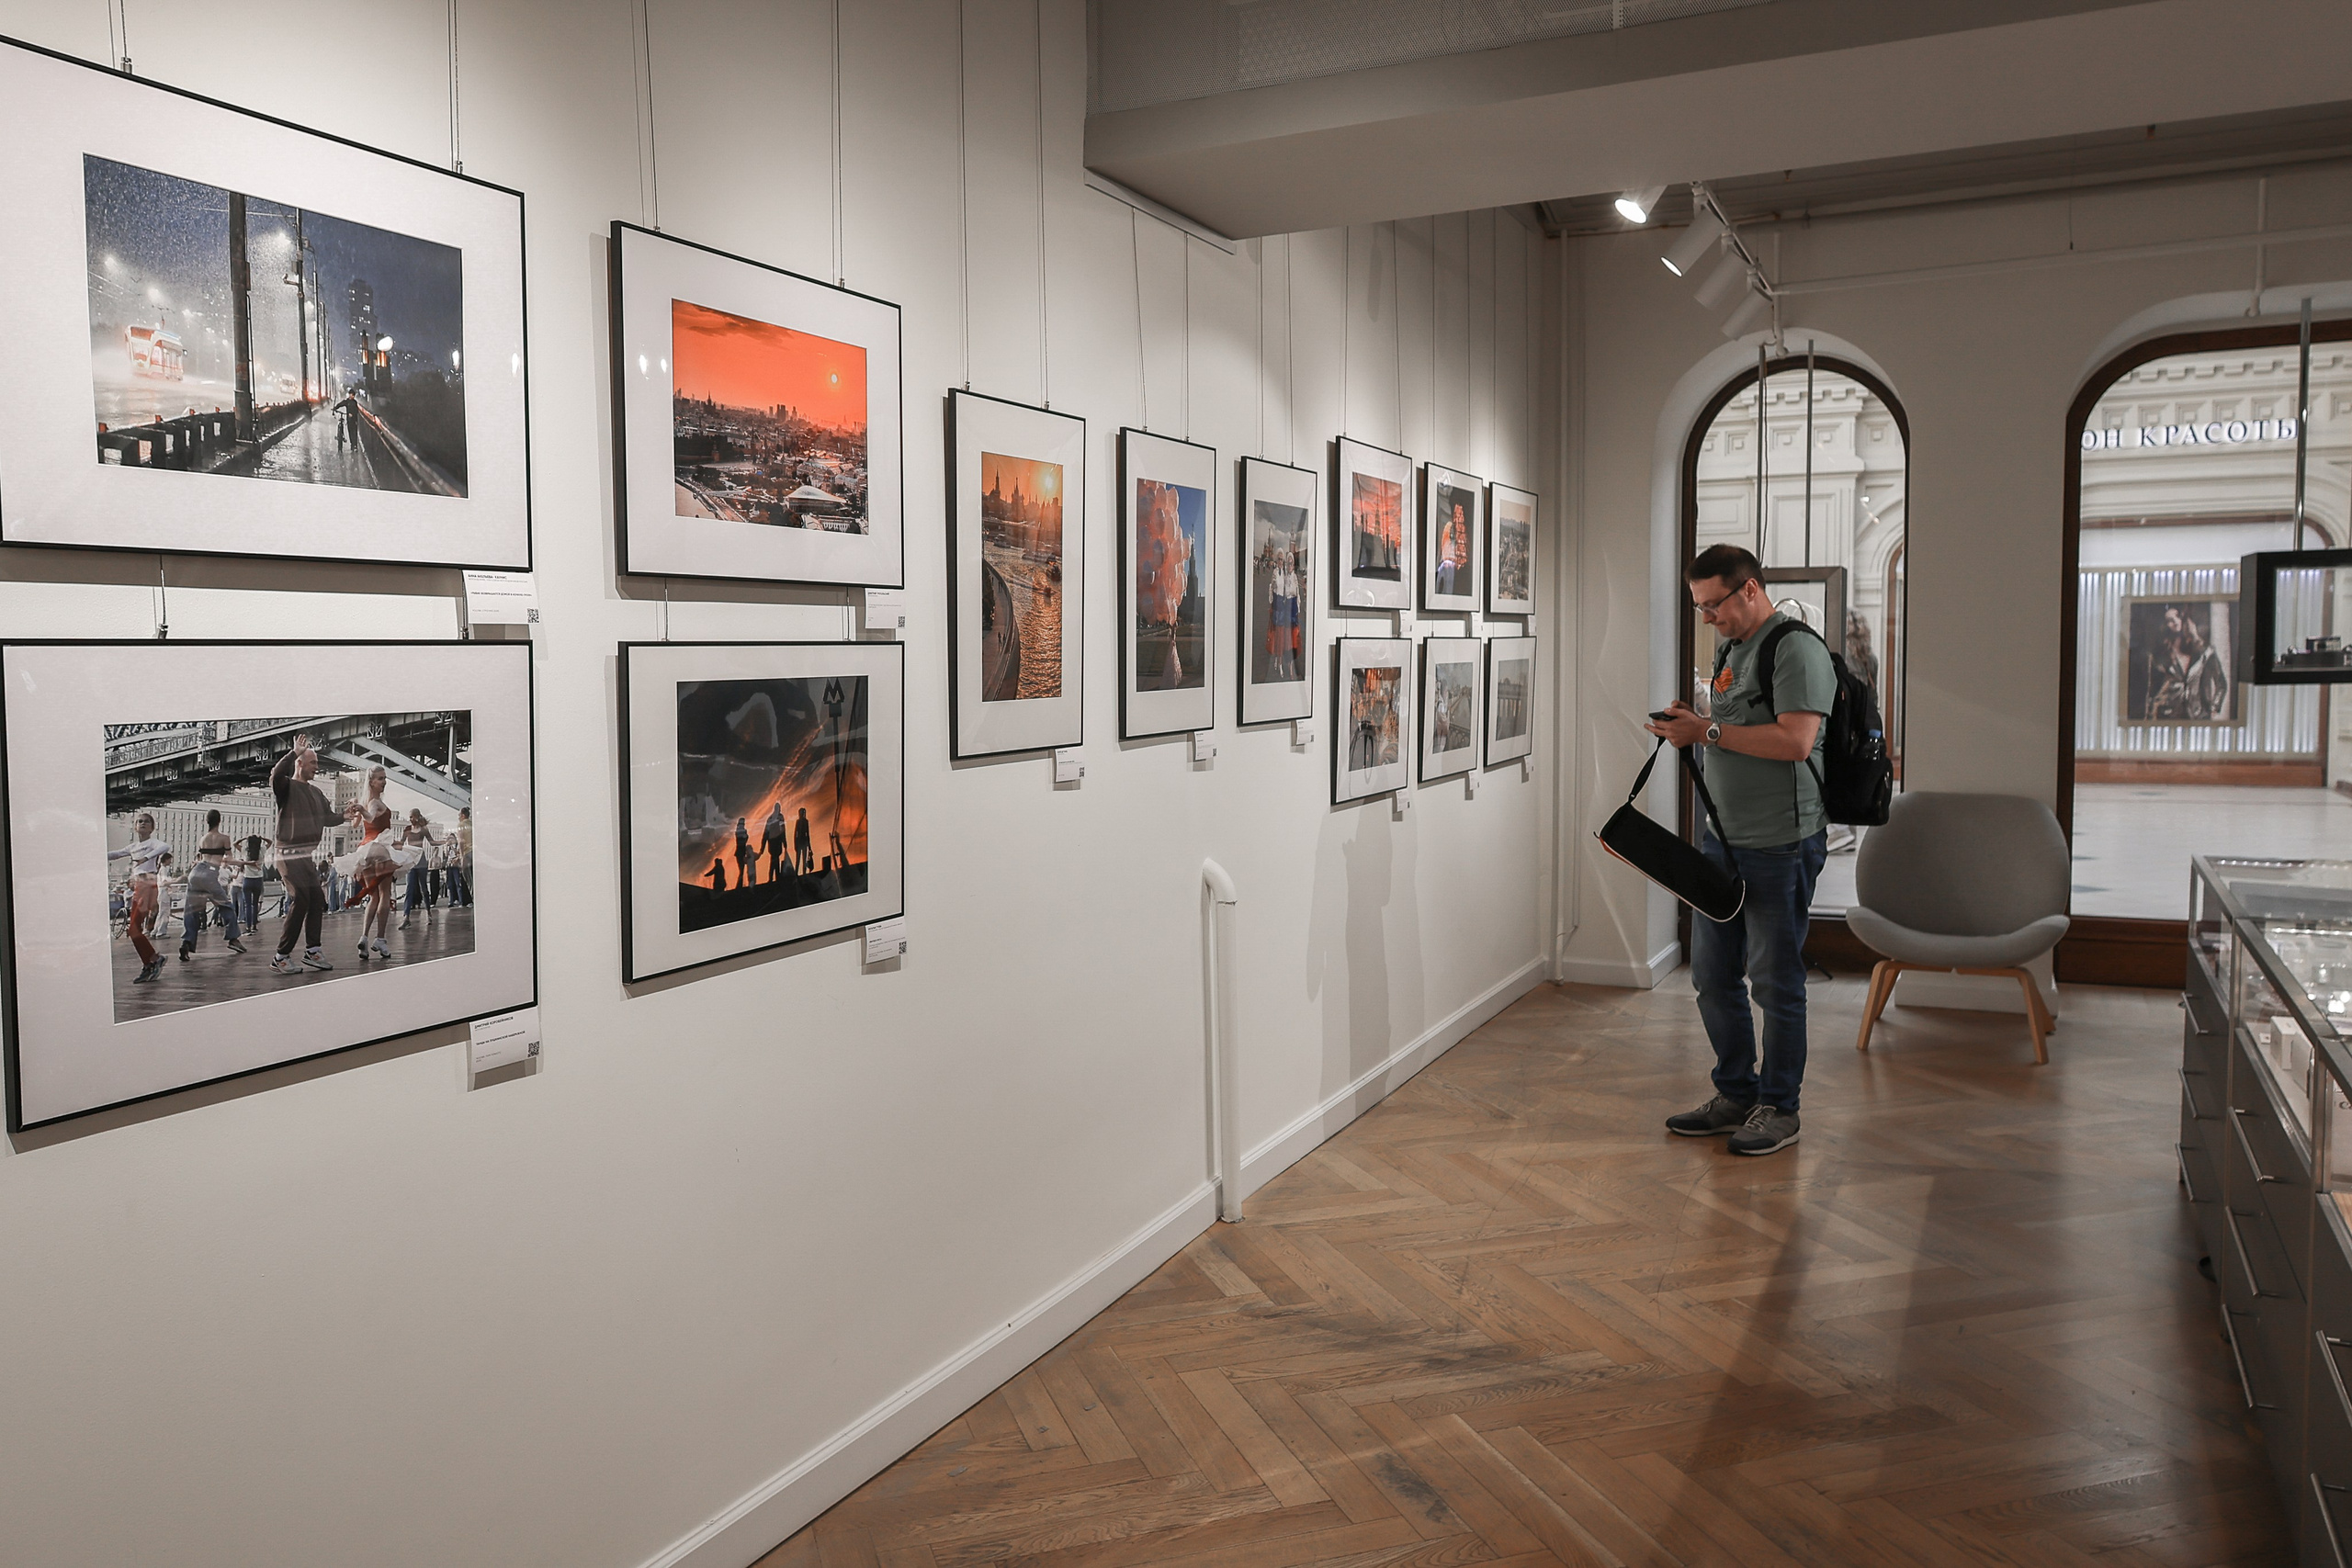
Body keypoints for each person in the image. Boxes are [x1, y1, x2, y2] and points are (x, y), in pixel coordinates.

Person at [1645, 544, 1834, 1157]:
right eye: (1698, 606)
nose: (1707, 618)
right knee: (1711, 975)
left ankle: (1780, 1106)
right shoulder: (1730, 649)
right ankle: (1735, 1092)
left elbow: (1796, 741)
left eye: (1713, 604)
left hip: (1781, 843)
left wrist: (1708, 731)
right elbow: (1728, 722)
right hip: (1722, 841)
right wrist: (1692, 721)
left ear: (1749, 589)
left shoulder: (1795, 648)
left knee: (1775, 982)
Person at [268, 733, 336, 976]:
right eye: (313, 763)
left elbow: (328, 818)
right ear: (300, 763)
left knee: (317, 899)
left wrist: (346, 816)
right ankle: (281, 956)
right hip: (286, 854)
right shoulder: (286, 787)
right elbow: (276, 775)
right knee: (302, 899)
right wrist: (293, 751)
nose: (317, 768)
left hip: (305, 857)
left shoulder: (317, 793)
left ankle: (313, 950)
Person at [107, 812, 174, 985]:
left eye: (146, 822)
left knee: (135, 929)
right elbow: (116, 854)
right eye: (139, 822)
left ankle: (153, 960)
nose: (143, 824)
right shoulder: (133, 846)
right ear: (135, 826)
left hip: (147, 883)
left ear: (152, 827)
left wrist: (146, 857)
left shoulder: (153, 843)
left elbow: (165, 847)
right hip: (139, 885)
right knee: (134, 929)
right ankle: (151, 960)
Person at [340, 769, 399, 962]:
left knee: (373, 897)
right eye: (381, 779)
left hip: (364, 851)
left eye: (385, 778)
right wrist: (362, 810)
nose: (384, 782)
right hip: (379, 848)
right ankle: (380, 938)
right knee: (385, 895)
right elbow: (371, 817)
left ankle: (364, 937)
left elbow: (356, 825)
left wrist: (356, 808)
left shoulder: (365, 801)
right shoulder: (373, 803)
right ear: (371, 782)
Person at [178, 808, 246, 960]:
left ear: (207, 821)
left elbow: (203, 858)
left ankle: (186, 943)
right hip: (210, 874)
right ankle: (233, 939)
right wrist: (245, 862)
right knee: (226, 906)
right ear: (219, 820)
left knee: (191, 910)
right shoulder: (224, 838)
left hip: (195, 873)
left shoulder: (203, 838)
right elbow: (228, 859)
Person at [398, 809, 435, 929]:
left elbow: (432, 843)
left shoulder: (423, 830)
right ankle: (406, 917)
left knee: (424, 888)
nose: (410, 819)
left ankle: (429, 913)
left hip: (422, 861)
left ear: (417, 817)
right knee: (409, 888)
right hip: (411, 861)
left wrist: (445, 841)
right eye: (409, 817)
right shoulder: (407, 829)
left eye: (412, 817)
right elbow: (401, 843)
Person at [237, 832, 269, 933]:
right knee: (255, 904)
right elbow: (271, 842)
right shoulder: (262, 850)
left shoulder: (246, 852)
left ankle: (248, 927)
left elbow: (235, 844)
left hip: (247, 879)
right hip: (258, 879)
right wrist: (262, 838)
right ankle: (255, 925)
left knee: (247, 905)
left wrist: (243, 838)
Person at [762, 803, 787, 885]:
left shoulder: (770, 818)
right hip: (776, 842)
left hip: (772, 842)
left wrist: (763, 847)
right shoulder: (780, 817)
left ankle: (773, 878)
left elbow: (766, 833)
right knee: (775, 859)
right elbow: (783, 830)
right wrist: (784, 842)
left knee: (774, 859)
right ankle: (777, 877)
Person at [734, 818, 754, 889]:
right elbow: (745, 838)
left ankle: (740, 885)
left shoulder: (737, 831)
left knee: (741, 869)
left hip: (739, 852)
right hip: (741, 852)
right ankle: (739, 886)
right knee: (742, 870)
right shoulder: (742, 831)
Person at [793, 807, 814, 877]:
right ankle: (796, 874)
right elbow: (795, 833)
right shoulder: (798, 822)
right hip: (800, 842)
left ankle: (803, 874)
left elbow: (807, 833)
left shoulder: (805, 822)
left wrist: (809, 846)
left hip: (803, 842)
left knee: (804, 859)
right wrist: (795, 844)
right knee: (798, 860)